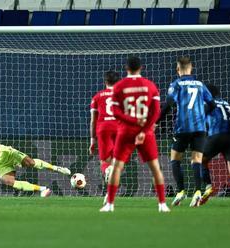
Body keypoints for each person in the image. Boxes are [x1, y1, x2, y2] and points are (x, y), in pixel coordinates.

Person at [100, 56, 170, 212]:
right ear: (141, 68)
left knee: (116, 167)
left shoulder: (119, 86)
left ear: (126, 68)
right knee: (155, 168)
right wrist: (144, 129)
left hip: (126, 131)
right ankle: (162, 204)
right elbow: (156, 111)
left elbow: (116, 112)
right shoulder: (150, 85)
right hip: (146, 133)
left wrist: (131, 120)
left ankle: (110, 204)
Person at [159, 56, 216, 207]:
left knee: (175, 159)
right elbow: (212, 104)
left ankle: (181, 191)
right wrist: (202, 112)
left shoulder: (176, 84)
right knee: (196, 159)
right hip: (199, 128)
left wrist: (155, 122)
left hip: (182, 127)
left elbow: (168, 106)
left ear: (178, 69)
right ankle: (197, 191)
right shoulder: (200, 84)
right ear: (191, 68)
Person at [199, 84, 230, 205]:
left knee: (199, 159)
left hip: (217, 134)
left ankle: (209, 187)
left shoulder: (209, 103)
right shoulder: (225, 103)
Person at [89, 70, 120, 183]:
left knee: (105, 162)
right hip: (119, 128)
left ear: (105, 81)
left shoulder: (97, 97)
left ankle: (107, 171)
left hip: (103, 128)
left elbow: (93, 121)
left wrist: (92, 140)